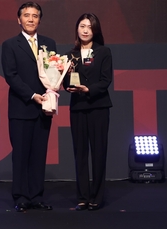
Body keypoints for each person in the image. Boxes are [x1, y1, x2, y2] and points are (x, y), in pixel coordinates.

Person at [1, 1, 56, 212]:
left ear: (39, 20)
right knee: (21, 155)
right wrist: (32, 95)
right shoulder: (10, 45)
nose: (31, 19)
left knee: (39, 155)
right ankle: (21, 197)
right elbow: (11, 76)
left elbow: (54, 73)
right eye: (26, 15)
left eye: (35, 16)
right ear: (19, 19)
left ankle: (37, 196)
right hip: (21, 108)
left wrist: (52, 90)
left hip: (44, 108)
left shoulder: (49, 43)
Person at [64, 13, 113, 211]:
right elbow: (67, 82)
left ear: (95, 30)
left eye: (89, 27)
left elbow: (105, 80)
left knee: (99, 152)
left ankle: (97, 197)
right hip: (78, 107)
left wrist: (88, 89)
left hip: (98, 106)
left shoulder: (103, 52)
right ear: (77, 29)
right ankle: (83, 197)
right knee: (80, 153)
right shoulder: (70, 54)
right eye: (82, 26)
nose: (85, 30)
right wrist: (66, 79)